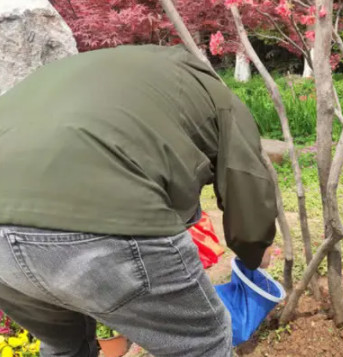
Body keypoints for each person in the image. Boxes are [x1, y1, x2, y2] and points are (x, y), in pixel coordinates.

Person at [0, 44, 277, 357]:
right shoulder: (216, 95)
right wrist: (255, 253)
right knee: (203, 343)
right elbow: (244, 177)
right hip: (102, 210)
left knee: (65, 346)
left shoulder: (95, 74)